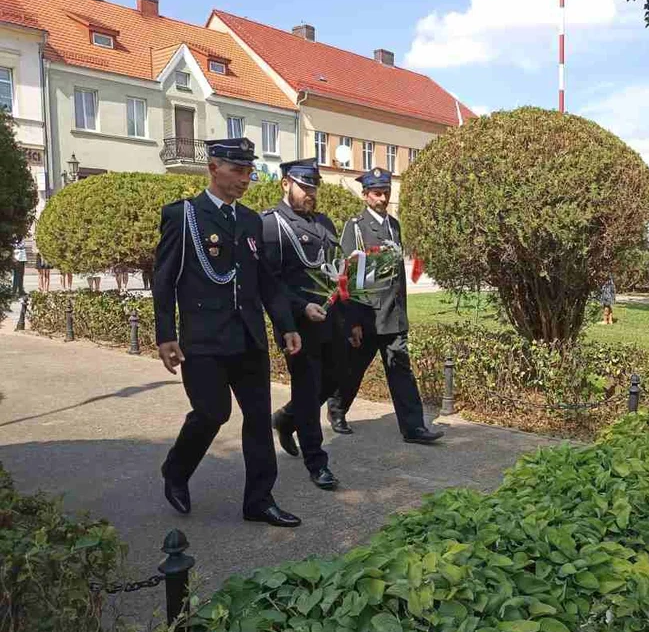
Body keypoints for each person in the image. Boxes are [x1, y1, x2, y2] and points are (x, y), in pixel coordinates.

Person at [152, 137, 303, 528]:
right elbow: (164, 279)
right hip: (203, 340)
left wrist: (286, 325)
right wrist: (165, 334)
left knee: (256, 419)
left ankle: (259, 499)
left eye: (249, 172)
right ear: (213, 168)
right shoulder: (184, 215)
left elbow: (267, 282)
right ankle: (176, 469)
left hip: (248, 338)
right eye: (237, 170)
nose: (244, 179)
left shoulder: (252, 221)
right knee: (212, 412)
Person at [326, 168, 443, 444]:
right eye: (377, 193)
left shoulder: (394, 225)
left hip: (393, 314)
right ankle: (337, 409)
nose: (383, 198)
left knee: (401, 370)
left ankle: (414, 428)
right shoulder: (356, 227)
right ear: (366, 196)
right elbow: (348, 275)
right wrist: (351, 320)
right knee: (353, 369)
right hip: (367, 315)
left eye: (386, 192)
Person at [262, 158, 346, 491]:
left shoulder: (324, 222)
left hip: (331, 318)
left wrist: (349, 319)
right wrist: (300, 307)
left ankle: (286, 418)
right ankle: (317, 462)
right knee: (308, 389)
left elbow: (336, 272)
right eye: (305, 186)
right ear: (286, 184)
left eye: (314, 186)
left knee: (338, 377)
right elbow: (269, 281)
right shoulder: (271, 224)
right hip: (296, 323)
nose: (311, 193)